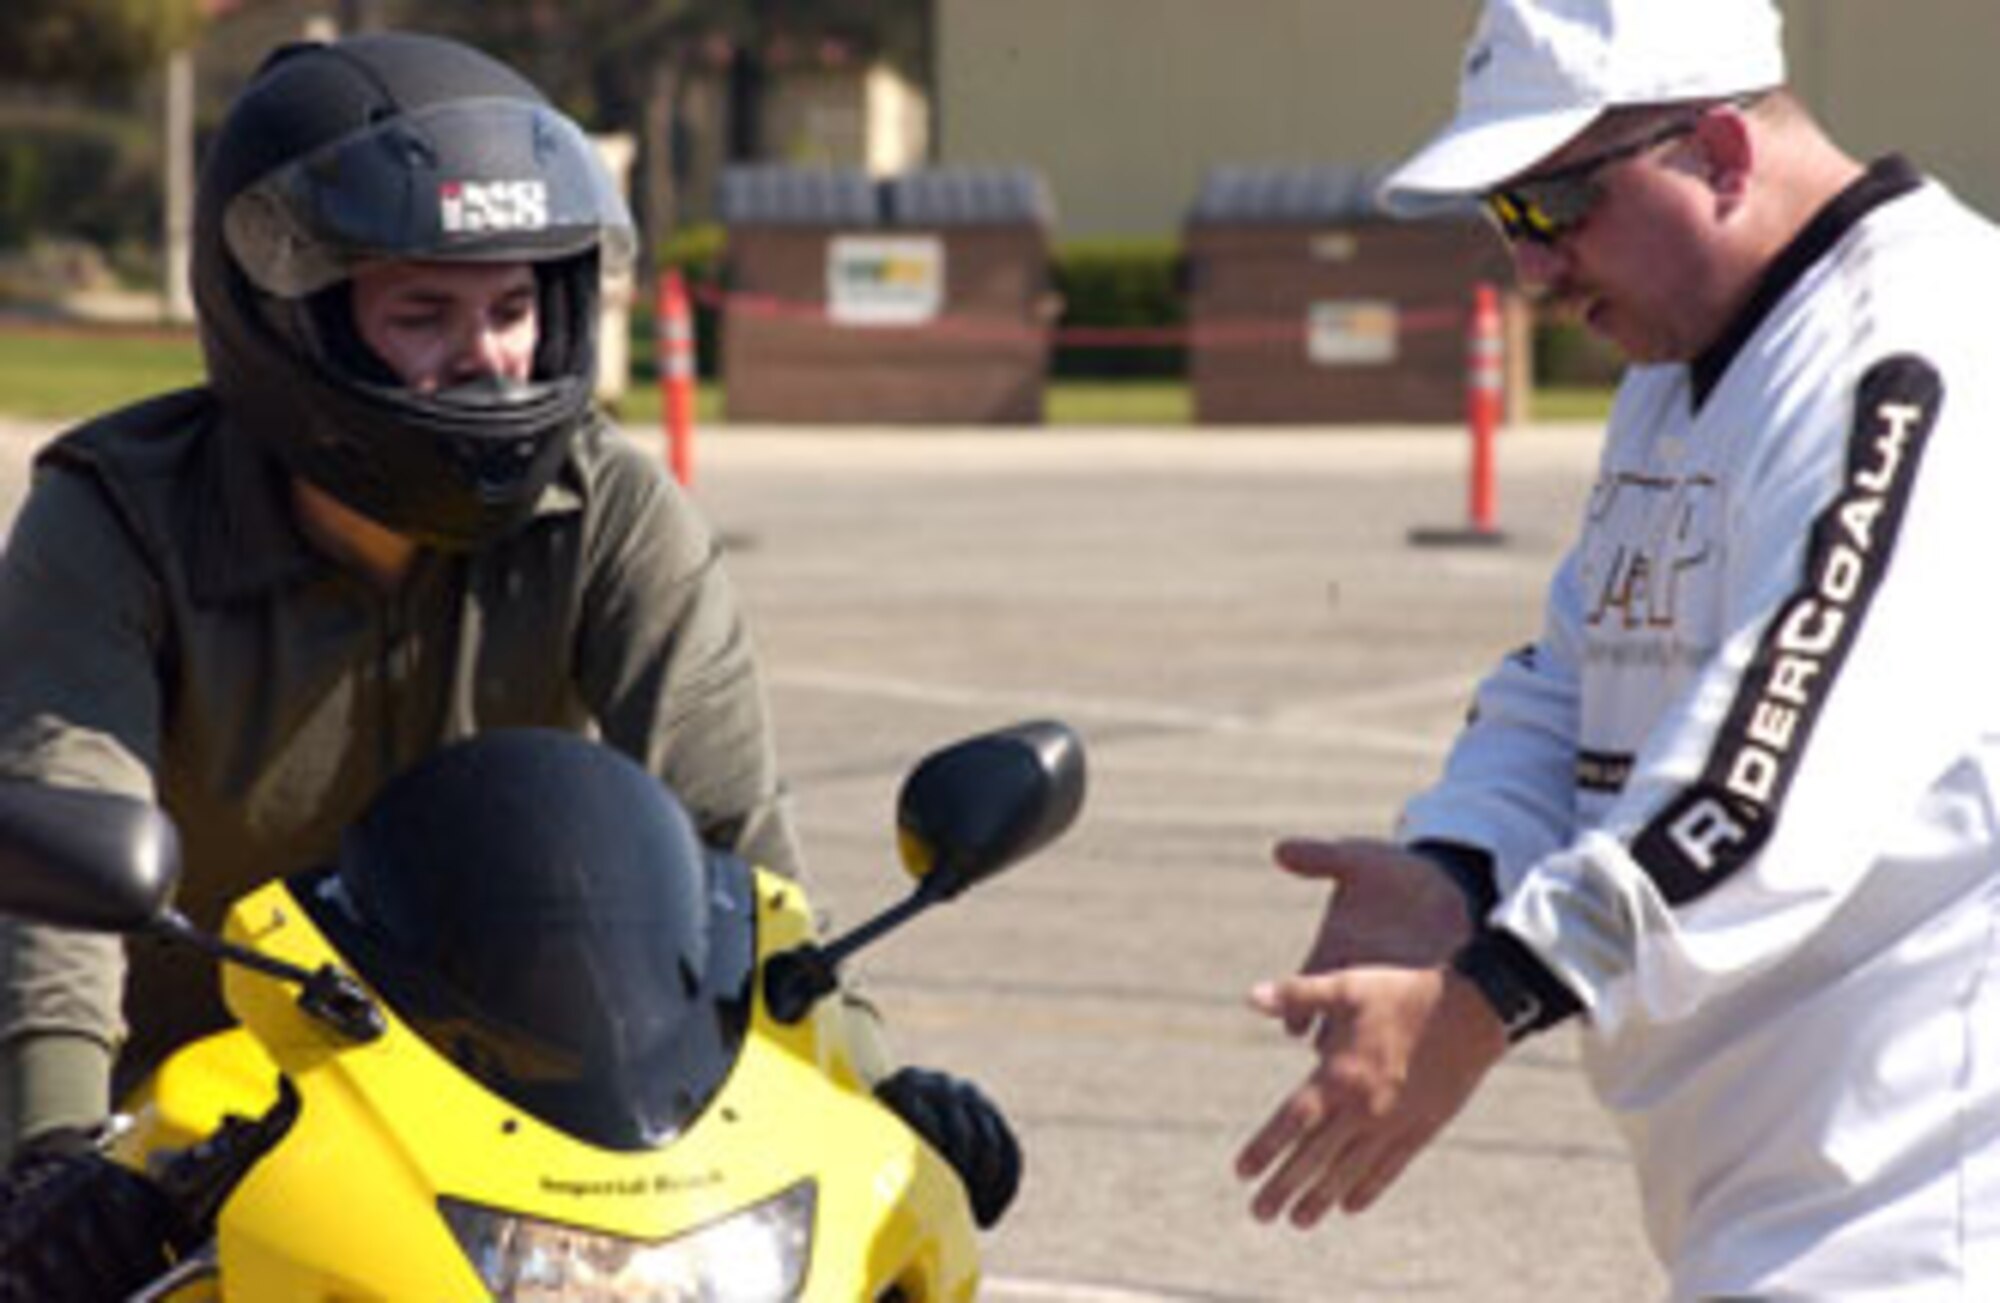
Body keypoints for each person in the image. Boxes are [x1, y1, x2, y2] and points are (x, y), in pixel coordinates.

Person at [0, 29, 1015, 1292]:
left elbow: (744, 856)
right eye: (424, 312)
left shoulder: (614, 516)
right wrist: (49, 1157)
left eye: (515, 307)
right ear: (291, 318)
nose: (487, 356)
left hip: (488, 1121)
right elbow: (59, 855)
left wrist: (870, 1078)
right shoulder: (111, 522)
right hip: (159, 1139)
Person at [1233, 0, 2000, 1297]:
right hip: (1771, 1202)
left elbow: (1759, 780)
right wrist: (1457, 867)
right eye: (1503, 219)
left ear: (1718, 150)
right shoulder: (1678, 364)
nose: (1529, 271)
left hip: (1926, 1213)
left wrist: (1480, 1000)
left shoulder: (1911, 358)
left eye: (1551, 209)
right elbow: (1572, 677)